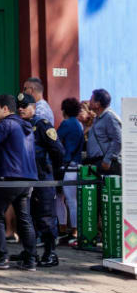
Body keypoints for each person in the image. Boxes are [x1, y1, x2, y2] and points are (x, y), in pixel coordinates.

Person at [0, 94, 38, 271]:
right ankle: (30, 259)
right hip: (28, 179)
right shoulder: (23, 125)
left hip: (10, 177)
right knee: (24, 218)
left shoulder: (7, 123)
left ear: (5, 109)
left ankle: (1, 258)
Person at [18, 93, 64, 267]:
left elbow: (58, 150)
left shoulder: (43, 125)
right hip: (26, 177)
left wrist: (51, 170)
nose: (21, 109)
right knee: (28, 217)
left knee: (46, 217)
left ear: (34, 107)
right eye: (19, 106)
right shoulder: (20, 126)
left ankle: (50, 253)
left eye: (25, 106)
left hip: (43, 178)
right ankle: (30, 252)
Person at [56, 97, 84, 241]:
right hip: (76, 165)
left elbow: (55, 141)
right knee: (70, 200)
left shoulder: (66, 124)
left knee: (64, 199)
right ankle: (72, 229)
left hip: (67, 166)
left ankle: (71, 230)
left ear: (64, 110)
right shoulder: (79, 124)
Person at [86, 88, 122, 175]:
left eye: (91, 99)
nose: (89, 101)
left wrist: (107, 160)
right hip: (97, 162)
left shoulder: (109, 117)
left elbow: (117, 140)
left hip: (106, 164)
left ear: (97, 104)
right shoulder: (97, 118)